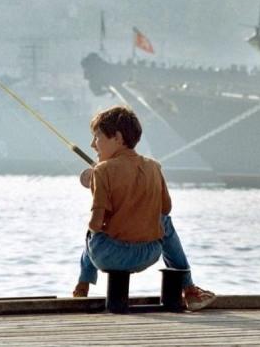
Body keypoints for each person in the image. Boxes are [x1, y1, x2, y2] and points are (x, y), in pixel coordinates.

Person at [73, 105, 216, 311]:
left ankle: (82, 287)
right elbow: (165, 209)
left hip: (108, 256)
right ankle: (190, 289)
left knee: (93, 230)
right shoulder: (154, 167)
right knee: (163, 222)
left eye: (97, 137)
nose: (93, 145)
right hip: (149, 254)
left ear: (118, 138)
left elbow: (95, 224)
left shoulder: (102, 171)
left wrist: (99, 187)